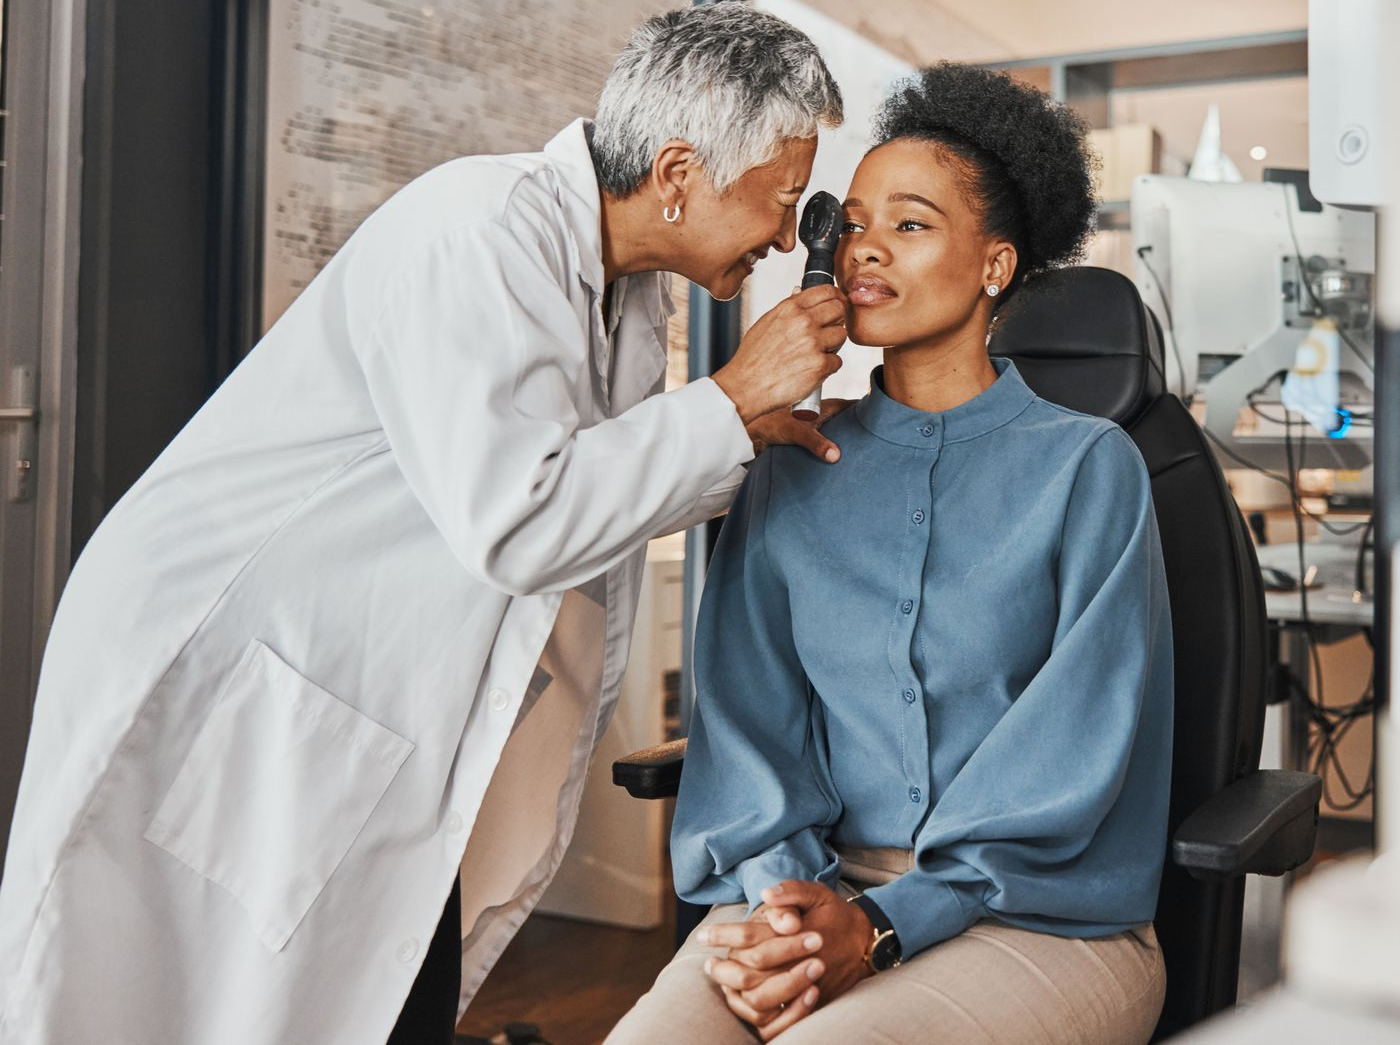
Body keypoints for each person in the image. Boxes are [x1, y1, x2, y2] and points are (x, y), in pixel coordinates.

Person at [0, 7, 850, 1043]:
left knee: (369, 976)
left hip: (345, 687)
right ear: (678, 173)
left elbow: (609, 482)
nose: (781, 232)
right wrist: (728, 398)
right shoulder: (481, 231)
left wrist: (750, 429)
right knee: (169, 995)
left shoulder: (626, 294)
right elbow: (521, 517)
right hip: (230, 664)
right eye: (776, 201)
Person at [606, 64, 1175, 1045]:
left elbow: (1069, 763)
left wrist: (875, 925)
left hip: (1036, 916)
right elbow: (749, 729)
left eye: (910, 225)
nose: (865, 249)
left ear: (995, 266)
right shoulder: (787, 463)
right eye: (855, 222)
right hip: (802, 890)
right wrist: (789, 906)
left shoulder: (1090, 470)